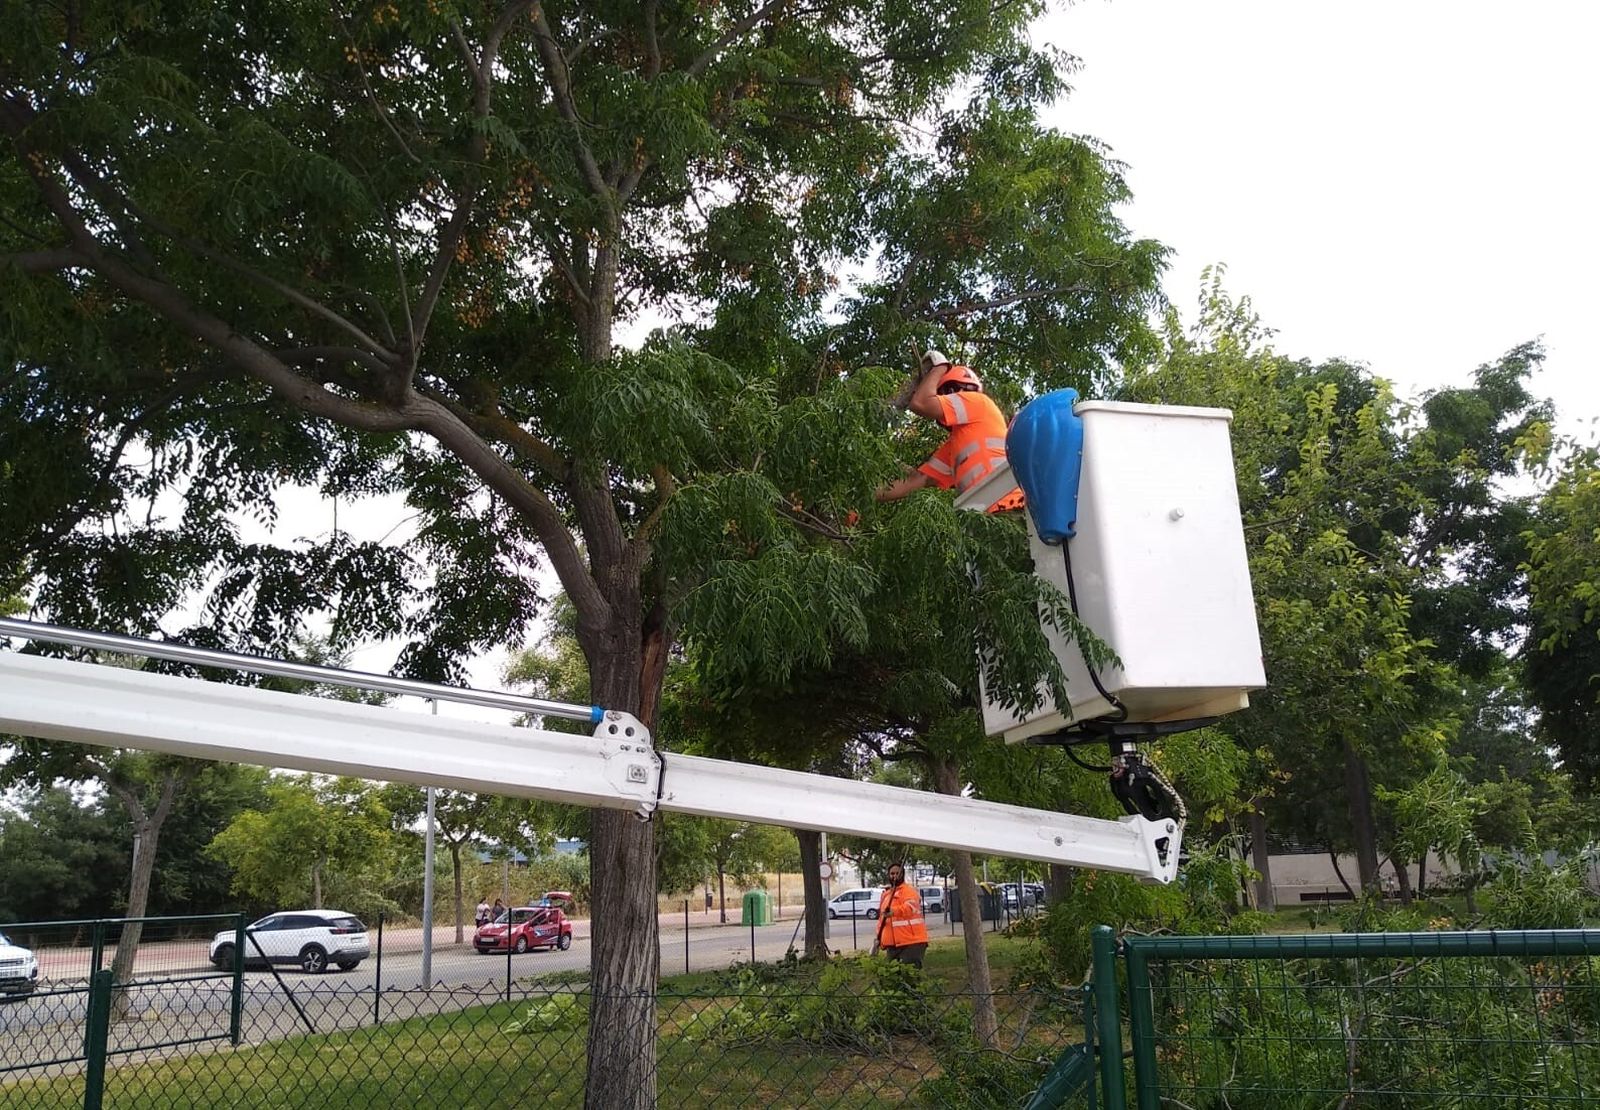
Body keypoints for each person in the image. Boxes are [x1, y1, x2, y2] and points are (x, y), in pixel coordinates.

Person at [874, 350, 1024, 512]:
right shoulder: (956, 446)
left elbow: (921, 403)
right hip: (986, 513)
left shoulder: (978, 402)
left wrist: (940, 367)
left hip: (1009, 502)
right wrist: (863, 491)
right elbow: (914, 481)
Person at [871, 862, 930, 968]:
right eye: (892, 874)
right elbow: (882, 920)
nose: (894, 876)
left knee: (909, 973)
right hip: (893, 945)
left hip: (912, 942)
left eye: (897, 873)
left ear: (903, 874)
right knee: (890, 973)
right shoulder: (887, 895)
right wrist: (879, 938)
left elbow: (910, 907)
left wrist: (893, 911)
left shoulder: (909, 891)